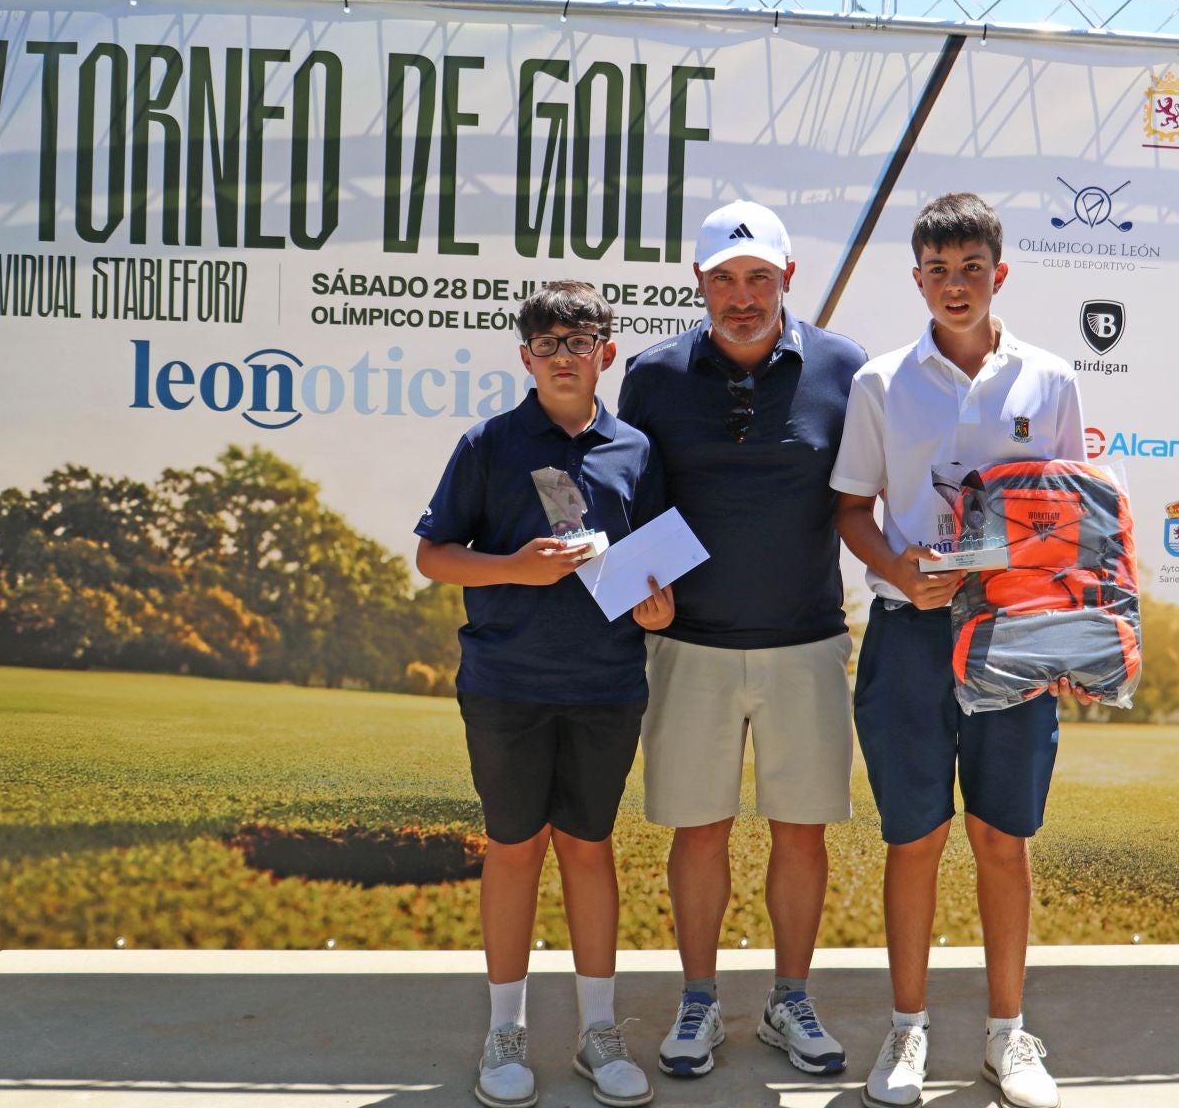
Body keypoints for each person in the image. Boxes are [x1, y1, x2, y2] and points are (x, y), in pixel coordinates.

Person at [829, 193, 1089, 1108]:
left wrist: (1056, 624)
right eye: (937, 271)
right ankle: (906, 1035)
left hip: (1012, 640)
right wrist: (901, 568)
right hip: (908, 638)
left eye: (970, 268)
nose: (954, 285)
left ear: (999, 274)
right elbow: (852, 510)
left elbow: (1069, 519)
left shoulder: (1051, 381)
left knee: (1001, 838)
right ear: (917, 280)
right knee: (916, 838)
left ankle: (1008, 1039)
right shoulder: (880, 382)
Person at [617, 200, 868, 1080]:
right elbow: (635, 505)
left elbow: (860, 503)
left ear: (787, 279)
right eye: (723, 278)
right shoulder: (651, 376)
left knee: (803, 834)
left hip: (806, 643)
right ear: (699, 283)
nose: (741, 296)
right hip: (690, 647)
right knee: (700, 832)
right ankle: (698, 1001)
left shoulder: (845, 367)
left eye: (759, 276)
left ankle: (789, 999)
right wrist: (641, 594)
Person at [415, 280, 675, 1108]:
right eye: (547, 343)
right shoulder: (489, 443)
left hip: (605, 685)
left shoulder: (635, 448)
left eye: (580, 341)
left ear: (607, 353)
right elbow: (433, 555)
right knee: (516, 849)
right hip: (506, 687)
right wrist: (512, 570)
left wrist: (658, 602)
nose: (564, 356)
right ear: (525, 356)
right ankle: (506, 1033)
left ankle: (599, 1033)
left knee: (589, 849)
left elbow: (655, 571)